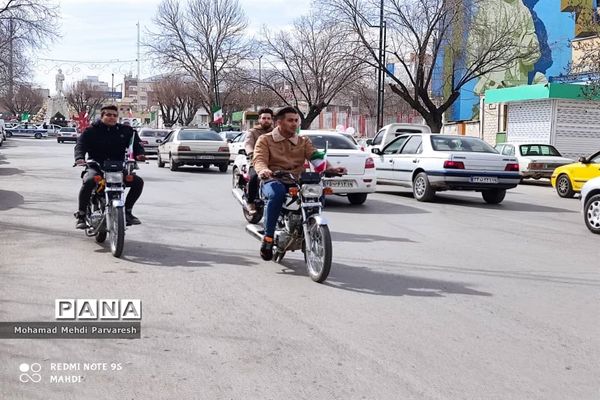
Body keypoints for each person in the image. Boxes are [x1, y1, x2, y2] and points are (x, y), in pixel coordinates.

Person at [252, 107, 346, 261]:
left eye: (296, 120)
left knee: (317, 192)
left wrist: (330, 168)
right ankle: (268, 239)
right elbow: (259, 159)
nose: (294, 124)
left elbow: (315, 156)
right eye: (290, 120)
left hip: (297, 179)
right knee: (276, 194)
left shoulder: (303, 141)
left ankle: (309, 226)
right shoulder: (265, 140)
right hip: (273, 179)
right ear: (279, 122)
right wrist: (264, 170)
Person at [74, 105, 146, 229]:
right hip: (96, 166)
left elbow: (136, 145)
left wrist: (140, 154)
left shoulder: (126, 131)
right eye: (108, 115)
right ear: (102, 116)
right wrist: (79, 158)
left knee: (138, 182)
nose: (112, 118)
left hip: (117, 167)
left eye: (114, 115)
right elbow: (80, 145)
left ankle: (128, 212)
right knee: (89, 181)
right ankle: (81, 215)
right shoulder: (91, 131)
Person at [243, 108, 274, 214]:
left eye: (268, 118)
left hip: (274, 162)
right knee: (254, 178)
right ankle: (250, 201)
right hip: (257, 162)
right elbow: (248, 144)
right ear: (259, 119)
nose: (266, 120)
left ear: (272, 120)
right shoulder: (253, 132)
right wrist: (251, 154)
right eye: (264, 118)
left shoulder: (276, 132)